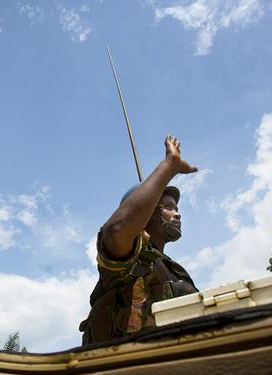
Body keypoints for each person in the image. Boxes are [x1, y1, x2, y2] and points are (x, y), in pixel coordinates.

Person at [79, 135, 200, 345]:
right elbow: (116, 230)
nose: (177, 214)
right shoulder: (131, 255)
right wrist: (169, 166)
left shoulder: (173, 270)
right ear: (145, 213)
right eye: (168, 207)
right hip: (127, 361)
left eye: (176, 208)